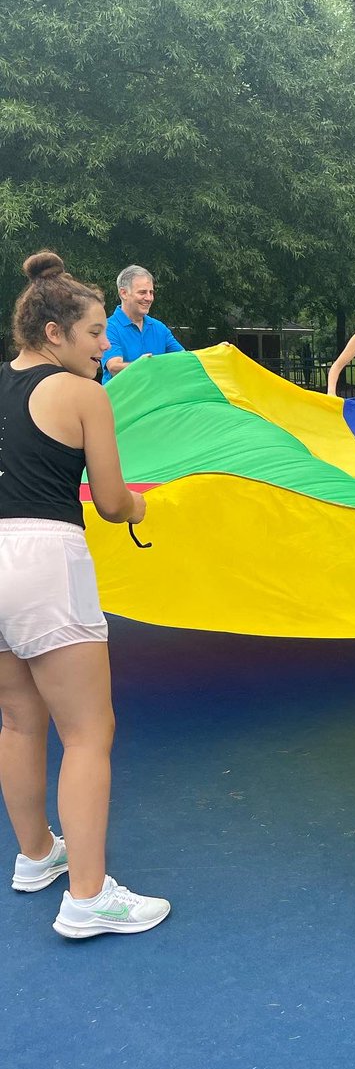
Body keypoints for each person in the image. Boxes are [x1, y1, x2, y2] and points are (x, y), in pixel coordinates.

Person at [0, 250, 170, 939]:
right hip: (46, 559)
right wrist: (140, 508)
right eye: (95, 332)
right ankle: (89, 896)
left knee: (16, 720)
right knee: (88, 732)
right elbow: (106, 501)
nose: (105, 345)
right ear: (53, 334)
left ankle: (37, 855)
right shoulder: (82, 395)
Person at [101, 265, 184, 383]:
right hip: (120, 400)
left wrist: (215, 352)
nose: (149, 298)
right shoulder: (108, 328)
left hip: (155, 400)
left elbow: (184, 359)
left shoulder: (159, 327)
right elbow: (114, 367)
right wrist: (142, 365)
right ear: (123, 293)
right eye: (142, 292)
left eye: (151, 292)